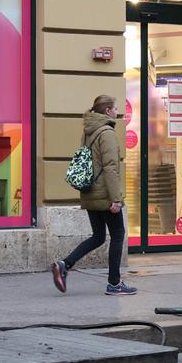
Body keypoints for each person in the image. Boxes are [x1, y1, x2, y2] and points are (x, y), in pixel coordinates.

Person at [51, 94, 137, 296]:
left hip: (90, 192)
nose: (117, 111)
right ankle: (114, 283)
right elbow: (110, 168)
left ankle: (65, 264)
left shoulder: (88, 132)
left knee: (98, 236)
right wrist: (116, 198)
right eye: (115, 108)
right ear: (107, 111)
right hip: (105, 196)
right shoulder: (106, 133)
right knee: (117, 235)